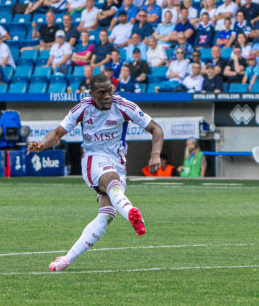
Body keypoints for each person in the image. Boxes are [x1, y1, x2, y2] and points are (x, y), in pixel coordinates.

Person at [26, 74, 163, 272]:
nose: (107, 96)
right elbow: (57, 133)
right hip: (93, 159)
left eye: (110, 90)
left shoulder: (124, 106)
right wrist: (42, 145)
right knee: (111, 181)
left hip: (118, 162)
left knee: (106, 214)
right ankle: (131, 212)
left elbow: (156, 129)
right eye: (102, 93)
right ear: (92, 94)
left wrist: (155, 154)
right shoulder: (83, 108)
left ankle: (66, 260)